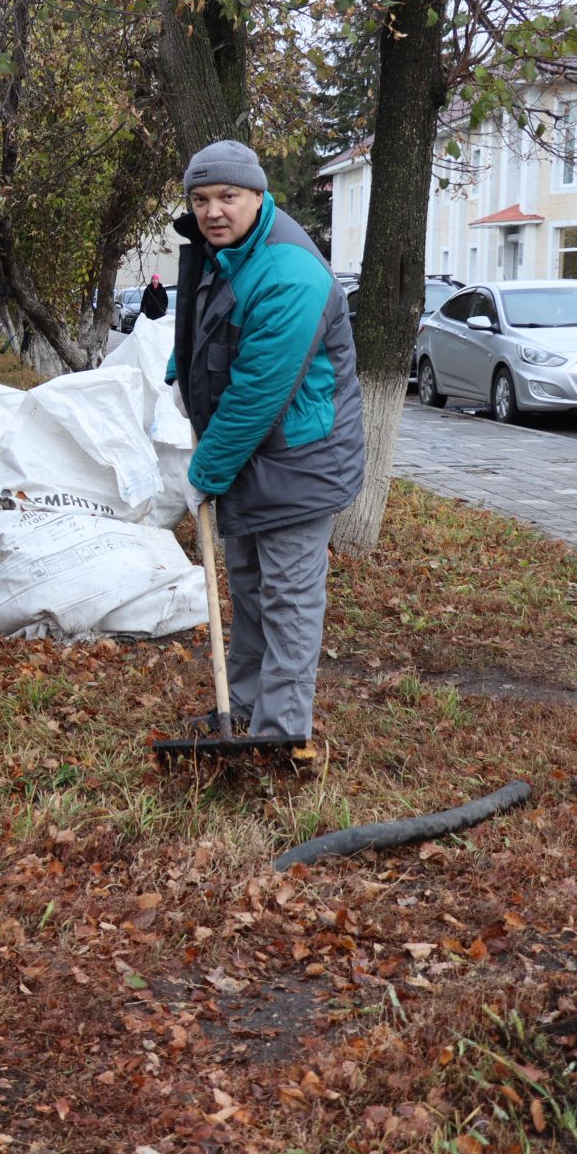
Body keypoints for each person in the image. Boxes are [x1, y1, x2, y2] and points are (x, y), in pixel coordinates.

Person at [164, 140, 365, 742]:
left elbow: (258, 393)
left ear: (258, 195)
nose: (213, 211)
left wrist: (204, 470)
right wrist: (180, 374)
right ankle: (244, 707)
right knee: (250, 592)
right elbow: (207, 326)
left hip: (300, 463)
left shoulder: (288, 272)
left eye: (228, 196)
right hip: (255, 460)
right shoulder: (229, 253)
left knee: (288, 600)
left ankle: (280, 733)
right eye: (201, 199)